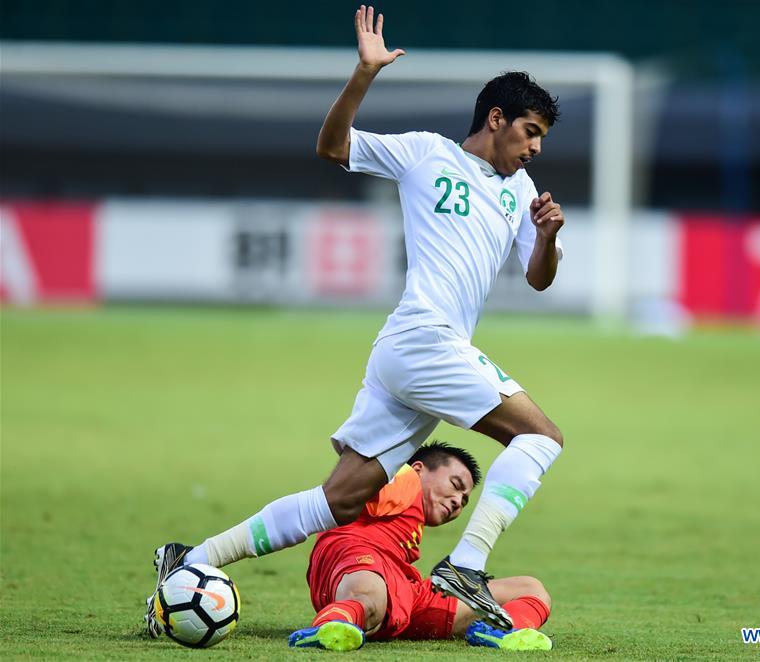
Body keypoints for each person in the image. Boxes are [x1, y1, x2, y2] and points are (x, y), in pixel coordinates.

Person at [146, 4, 565, 636]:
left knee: (339, 500)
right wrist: (365, 73)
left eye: (542, 139)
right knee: (541, 438)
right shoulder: (425, 153)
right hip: (426, 339)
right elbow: (332, 146)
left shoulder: (522, 191)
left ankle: (190, 558)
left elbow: (538, 279)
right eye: (530, 131)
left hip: (409, 353)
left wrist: (546, 238)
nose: (535, 147)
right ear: (496, 118)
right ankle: (468, 565)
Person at [288, 442, 552, 651]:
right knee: (370, 597)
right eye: (455, 485)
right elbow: (357, 469)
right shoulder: (401, 479)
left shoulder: (408, 518)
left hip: (402, 589)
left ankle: (505, 633)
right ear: (417, 469)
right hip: (355, 556)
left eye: (464, 500)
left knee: (530, 588)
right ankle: (331, 626)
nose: (458, 501)